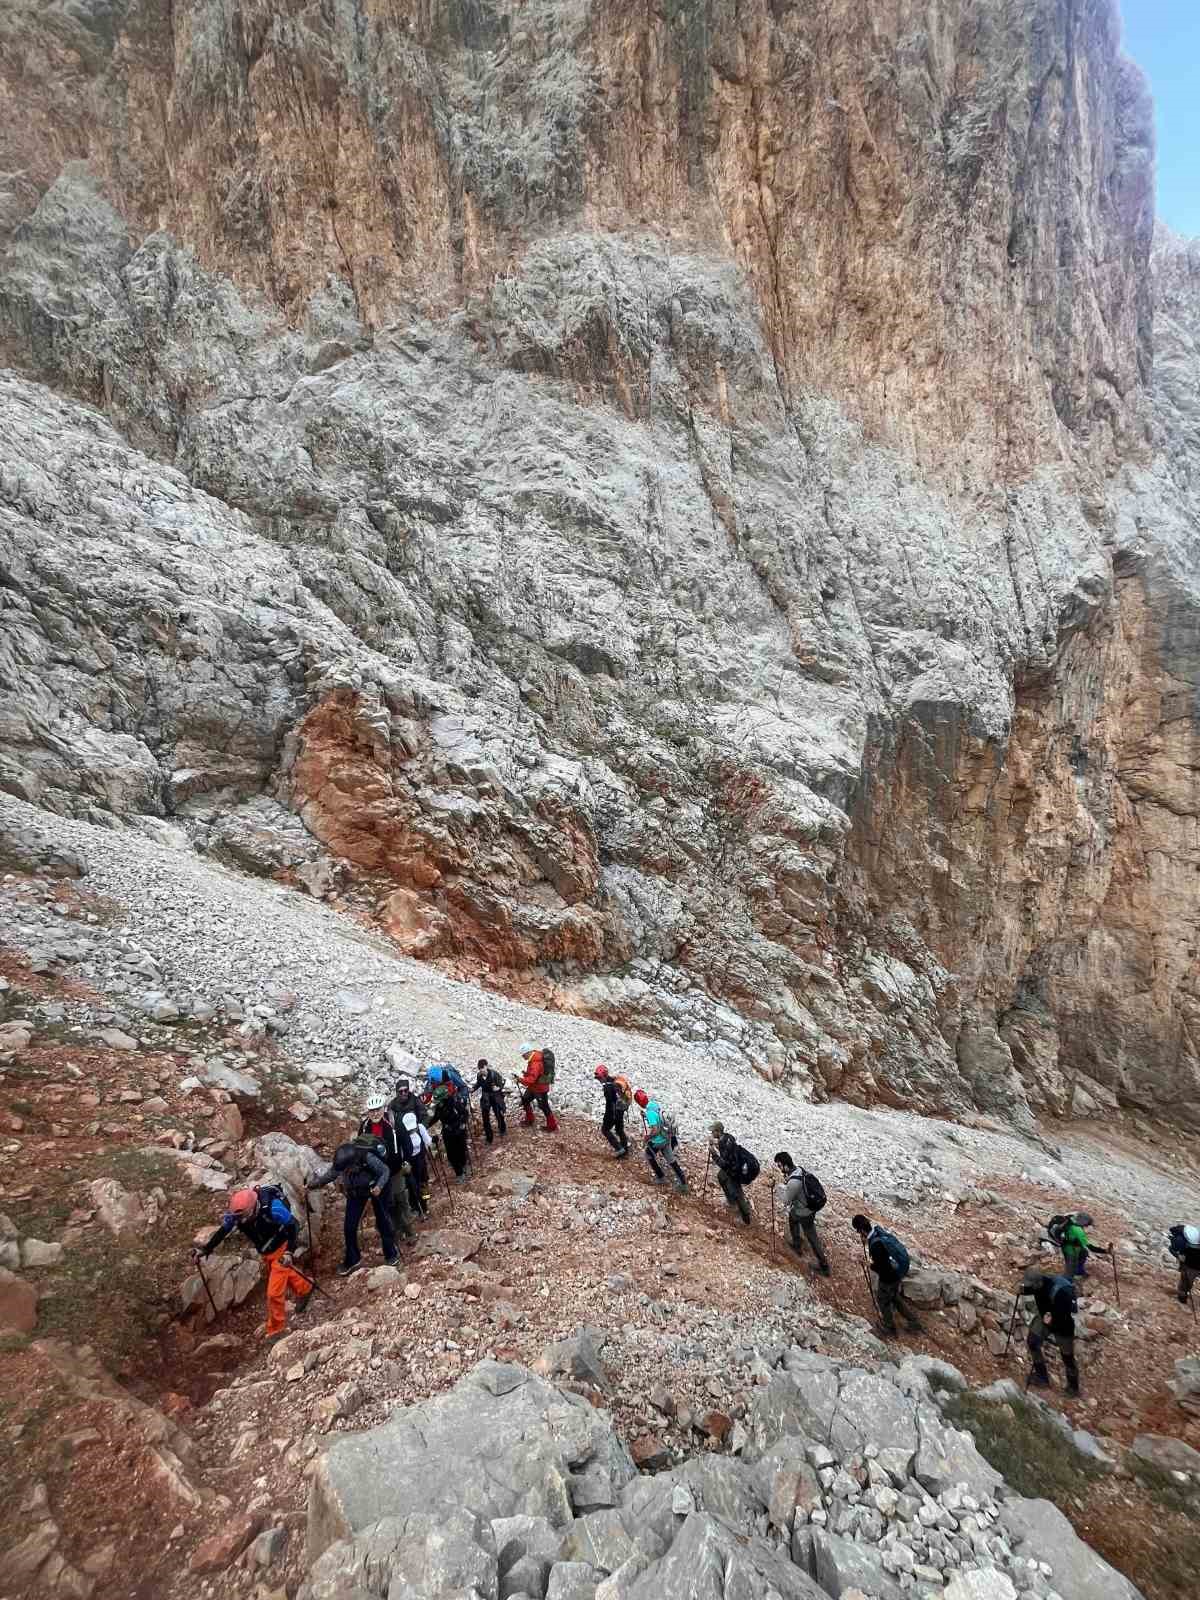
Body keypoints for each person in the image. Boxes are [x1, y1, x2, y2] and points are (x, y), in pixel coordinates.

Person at [194, 1184, 312, 1339]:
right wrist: (207, 1249)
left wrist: (289, 1252)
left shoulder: (274, 1208)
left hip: (281, 1248)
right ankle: (305, 1288)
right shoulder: (237, 1216)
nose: (241, 1221)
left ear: (253, 1208)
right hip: (266, 1251)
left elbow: (293, 1226)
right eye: (238, 1218)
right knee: (286, 1274)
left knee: (273, 1293)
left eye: (243, 1217)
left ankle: (276, 1330)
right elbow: (223, 1231)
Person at [307, 1139, 396, 1276]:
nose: (343, 1172)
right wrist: (313, 1185)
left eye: (346, 1170)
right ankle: (353, 1259)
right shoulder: (341, 1163)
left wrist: (379, 1186)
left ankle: (391, 1254)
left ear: (352, 1162)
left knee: (383, 1221)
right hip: (356, 1192)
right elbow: (330, 1175)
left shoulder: (367, 1157)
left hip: (375, 1188)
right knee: (349, 1227)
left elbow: (385, 1171)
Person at [358, 1088, 416, 1245]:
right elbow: (360, 1147)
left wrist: (408, 1161)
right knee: (387, 1204)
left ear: (383, 1109)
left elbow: (406, 1142)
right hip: (377, 1174)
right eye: (371, 1111)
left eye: (377, 1110)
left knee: (401, 1201)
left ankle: (409, 1232)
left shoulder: (393, 1123)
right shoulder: (364, 1127)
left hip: (395, 1170)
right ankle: (395, 1232)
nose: (375, 1113)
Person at [852, 1214, 923, 1338]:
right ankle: (914, 1321)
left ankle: (889, 1328)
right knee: (894, 1297)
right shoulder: (878, 1232)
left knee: (882, 1300)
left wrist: (868, 1264)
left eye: (858, 1231)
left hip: (889, 1277)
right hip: (898, 1272)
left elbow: (883, 1268)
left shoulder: (875, 1245)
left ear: (862, 1230)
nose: (859, 1234)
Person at [1022, 1268, 1081, 1396]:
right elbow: (1029, 1289)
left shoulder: (1060, 1292)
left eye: (1031, 1285)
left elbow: (1065, 1314)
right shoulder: (1038, 1285)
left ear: (1038, 1283)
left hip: (1062, 1324)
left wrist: (1052, 1317)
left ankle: (1073, 1387)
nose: (1030, 1287)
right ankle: (1041, 1377)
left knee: (1067, 1356)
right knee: (1033, 1342)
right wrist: (1022, 1290)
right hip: (1045, 1318)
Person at [773, 1151, 830, 1275]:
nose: (779, 1168)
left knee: (811, 1236)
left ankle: (824, 1265)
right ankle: (797, 1243)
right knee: (792, 1218)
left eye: (780, 1166)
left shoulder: (793, 1182)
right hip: (810, 1208)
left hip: (804, 1212)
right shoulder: (799, 1170)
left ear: (786, 1166)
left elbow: (786, 1200)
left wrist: (778, 1188)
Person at [634, 1089, 687, 1192]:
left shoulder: (649, 1113)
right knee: (671, 1159)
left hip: (658, 1140)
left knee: (648, 1155)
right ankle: (683, 1182)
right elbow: (657, 1117)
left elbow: (655, 1129)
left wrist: (647, 1137)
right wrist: (645, 1115)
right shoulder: (653, 1104)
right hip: (667, 1136)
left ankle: (661, 1177)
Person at [391, 1075, 431, 1206]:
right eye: (400, 1091)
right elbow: (391, 1124)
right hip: (404, 1146)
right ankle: (415, 1205)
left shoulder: (415, 1101)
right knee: (409, 1177)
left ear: (408, 1090)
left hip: (417, 1141)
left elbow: (425, 1116)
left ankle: (425, 1201)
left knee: (422, 1175)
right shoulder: (393, 1105)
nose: (403, 1093)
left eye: (405, 1090)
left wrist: (420, 1129)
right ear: (397, 1092)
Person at [709, 1124, 759, 1225]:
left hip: (735, 1172)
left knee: (737, 1194)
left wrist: (714, 1155)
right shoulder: (727, 1137)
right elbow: (726, 1152)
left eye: (713, 1131)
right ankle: (731, 1201)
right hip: (736, 1166)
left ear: (718, 1132)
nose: (711, 1133)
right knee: (721, 1176)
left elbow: (724, 1164)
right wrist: (715, 1145)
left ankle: (746, 1219)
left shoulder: (723, 1144)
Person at [431, 1080, 471, 1180]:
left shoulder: (455, 1102)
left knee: (461, 1150)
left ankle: (464, 1166)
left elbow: (465, 1113)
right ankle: (459, 1173)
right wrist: (423, 1125)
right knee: (451, 1154)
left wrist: (462, 1123)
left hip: (458, 1130)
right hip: (447, 1132)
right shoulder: (439, 1107)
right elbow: (435, 1118)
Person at [397, 1109, 435, 1216]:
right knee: (412, 1185)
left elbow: (428, 1141)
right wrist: (403, 1164)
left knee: (424, 1182)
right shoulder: (401, 1135)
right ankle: (414, 1206)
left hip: (420, 1160)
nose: (411, 1131)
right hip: (409, 1163)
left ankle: (425, 1204)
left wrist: (434, 1140)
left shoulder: (420, 1128)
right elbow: (400, 1151)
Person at [518, 1043, 558, 1132]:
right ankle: (530, 1119)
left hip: (540, 1088)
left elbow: (532, 1079)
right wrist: (526, 1074)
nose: (523, 1057)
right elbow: (534, 1075)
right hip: (535, 1087)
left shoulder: (535, 1062)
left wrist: (520, 1080)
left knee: (544, 1106)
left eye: (523, 1055)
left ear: (527, 1052)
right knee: (525, 1100)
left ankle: (552, 1126)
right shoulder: (534, 1058)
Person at [1058, 1213, 1111, 1280]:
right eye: (1087, 1224)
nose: (1087, 1226)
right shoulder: (1078, 1231)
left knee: (1084, 1252)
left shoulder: (1072, 1222)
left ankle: (1079, 1272)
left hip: (1071, 1246)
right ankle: (1066, 1283)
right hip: (1069, 1250)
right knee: (1070, 1271)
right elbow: (1091, 1247)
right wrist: (1105, 1251)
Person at [594, 1065, 630, 1158]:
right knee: (619, 1129)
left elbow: (610, 1102)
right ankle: (625, 1149)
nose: (598, 1080)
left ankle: (619, 1149)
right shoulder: (613, 1081)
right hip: (620, 1109)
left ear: (603, 1076)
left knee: (605, 1129)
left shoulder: (607, 1087)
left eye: (599, 1077)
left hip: (612, 1111)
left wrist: (611, 1116)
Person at [473, 1059, 508, 1143]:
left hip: (495, 1096)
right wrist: (473, 1089)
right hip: (485, 1097)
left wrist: (498, 1088)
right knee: (485, 1117)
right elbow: (478, 1083)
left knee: (498, 1114)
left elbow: (502, 1082)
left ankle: (502, 1129)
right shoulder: (479, 1075)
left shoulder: (494, 1074)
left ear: (486, 1066)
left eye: (483, 1069)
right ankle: (489, 1138)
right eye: (480, 1069)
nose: (482, 1071)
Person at [1168, 1224, 1200, 1305]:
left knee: (1187, 1279)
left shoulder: (1191, 1236)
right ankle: (1182, 1297)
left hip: (1192, 1261)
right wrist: (1180, 1257)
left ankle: (1182, 1296)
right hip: (1191, 1263)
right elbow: (1175, 1250)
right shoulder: (1186, 1239)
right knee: (1187, 1281)